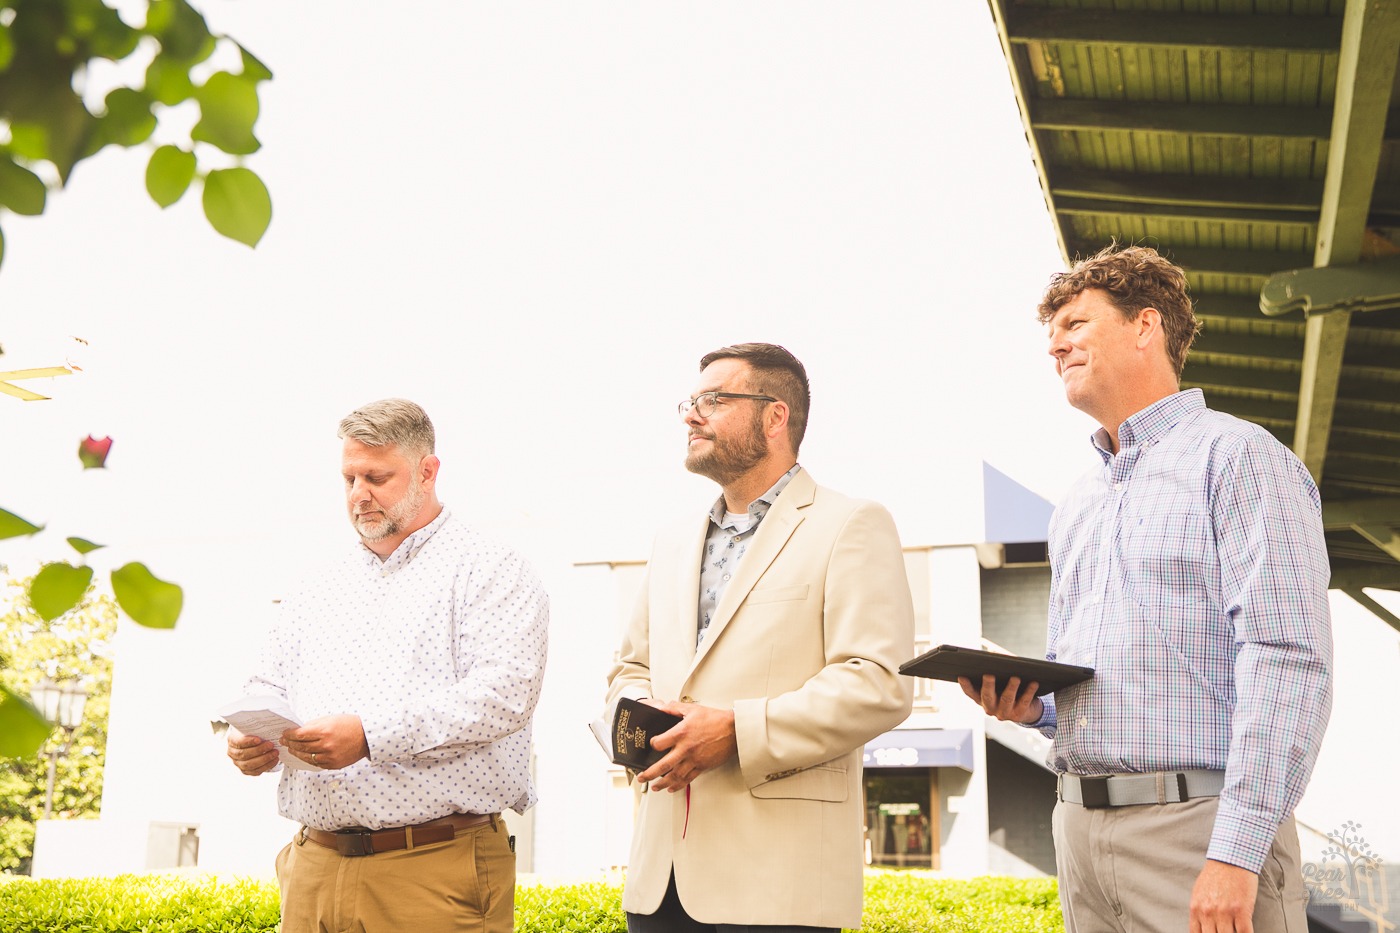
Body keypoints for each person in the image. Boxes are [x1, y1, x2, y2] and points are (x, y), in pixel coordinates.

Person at [962, 245, 1333, 933]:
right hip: (1077, 828)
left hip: (1197, 834)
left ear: (1145, 326)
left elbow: (1288, 659)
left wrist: (1237, 852)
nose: (1057, 346)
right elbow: (1108, 680)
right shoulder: (1077, 502)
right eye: (1051, 336)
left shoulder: (1241, 458)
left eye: (1075, 323)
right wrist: (1034, 709)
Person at [606, 342, 915, 932]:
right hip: (658, 883)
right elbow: (629, 667)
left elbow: (877, 682)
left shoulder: (850, 523)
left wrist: (738, 732)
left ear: (775, 416)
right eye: (690, 402)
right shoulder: (671, 540)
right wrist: (639, 715)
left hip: (780, 884)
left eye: (714, 400)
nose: (692, 415)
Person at [226, 398, 548, 933]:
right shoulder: (314, 584)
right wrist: (249, 740)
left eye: (377, 477)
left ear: (428, 471)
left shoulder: (491, 569)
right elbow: (267, 684)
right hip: (312, 866)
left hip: (432, 870)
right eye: (349, 478)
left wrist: (369, 736)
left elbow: (502, 695)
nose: (359, 494)